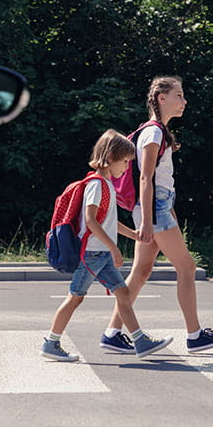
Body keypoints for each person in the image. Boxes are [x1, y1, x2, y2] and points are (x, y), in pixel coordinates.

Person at [99, 76, 213, 354]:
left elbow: (158, 180)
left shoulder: (157, 132)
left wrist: (164, 211)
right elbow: (146, 178)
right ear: (162, 97)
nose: (183, 101)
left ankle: (112, 333)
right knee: (187, 268)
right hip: (153, 209)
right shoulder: (154, 132)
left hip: (158, 207)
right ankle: (195, 335)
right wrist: (149, 221)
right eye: (179, 95)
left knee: (142, 270)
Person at [41, 129, 173, 362]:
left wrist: (132, 234)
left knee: (122, 293)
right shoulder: (97, 184)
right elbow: (91, 221)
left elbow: (108, 221)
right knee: (75, 297)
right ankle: (51, 342)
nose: (126, 168)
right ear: (110, 157)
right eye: (124, 162)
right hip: (92, 253)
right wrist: (114, 248)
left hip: (99, 253)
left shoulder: (106, 185)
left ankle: (140, 341)